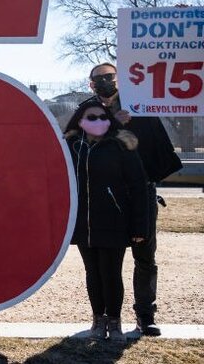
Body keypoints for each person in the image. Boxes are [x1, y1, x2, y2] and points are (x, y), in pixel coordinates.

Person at [86, 63, 183, 336]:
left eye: (109, 76)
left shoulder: (141, 105)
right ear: (91, 83)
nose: (105, 81)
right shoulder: (88, 110)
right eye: (99, 78)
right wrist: (115, 122)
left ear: (118, 79)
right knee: (106, 261)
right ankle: (107, 316)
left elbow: (156, 147)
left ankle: (145, 315)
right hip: (106, 198)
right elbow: (83, 143)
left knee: (145, 256)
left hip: (141, 193)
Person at [65, 99, 148, 342]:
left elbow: (138, 187)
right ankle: (97, 320)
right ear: (80, 121)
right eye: (91, 117)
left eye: (102, 117)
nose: (97, 122)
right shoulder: (71, 146)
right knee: (93, 273)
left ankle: (114, 321)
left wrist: (139, 226)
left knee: (111, 273)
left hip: (114, 220)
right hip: (83, 223)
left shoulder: (121, 146)